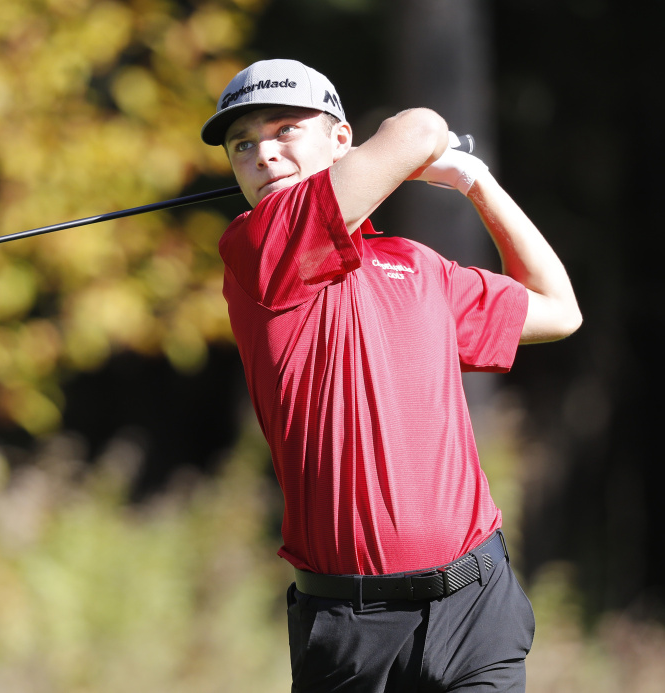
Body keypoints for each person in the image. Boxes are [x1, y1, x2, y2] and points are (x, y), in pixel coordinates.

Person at [200, 58, 581, 693]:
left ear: (340, 139)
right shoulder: (259, 246)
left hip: (474, 603)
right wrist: (421, 150)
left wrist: (476, 183)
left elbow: (558, 310)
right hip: (352, 626)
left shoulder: (416, 265)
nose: (264, 155)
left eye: (286, 130)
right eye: (244, 145)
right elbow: (420, 128)